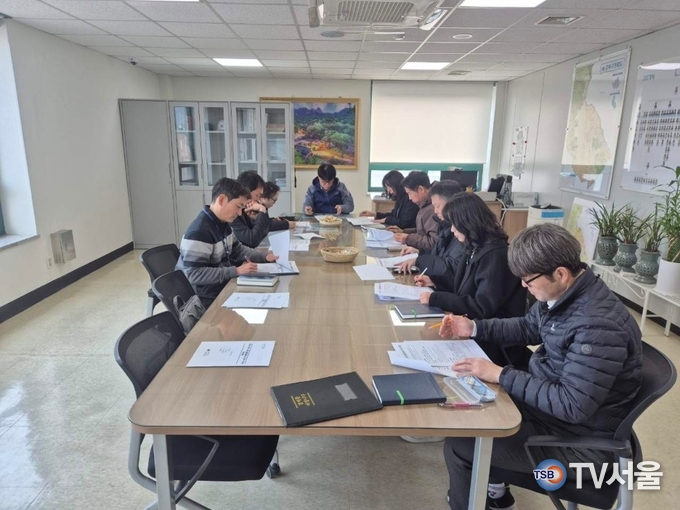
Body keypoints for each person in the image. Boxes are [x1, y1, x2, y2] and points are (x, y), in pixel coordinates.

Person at [439, 223, 643, 510]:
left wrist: (501, 374)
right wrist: (474, 327)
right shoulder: (566, 295)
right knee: (474, 410)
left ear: (560, 273)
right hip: (555, 416)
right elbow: (528, 326)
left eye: (528, 280)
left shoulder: (597, 326)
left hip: (580, 444)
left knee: (462, 444)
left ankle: (477, 498)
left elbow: (572, 405)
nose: (524, 286)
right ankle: (497, 494)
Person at [176, 178, 278, 308]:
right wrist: (236, 271)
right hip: (204, 298)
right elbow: (194, 274)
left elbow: (237, 250)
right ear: (222, 200)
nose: (240, 213)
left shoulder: (222, 223)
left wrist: (264, 257)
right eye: (238, 206)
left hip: (221, 286)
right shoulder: (199, 232)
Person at [395, 180, 464, 275]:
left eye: (437, 206)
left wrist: (419, 261)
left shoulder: (461, 232)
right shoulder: (445, 225)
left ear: (452, 204)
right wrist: (420, 252)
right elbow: (441, 253)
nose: (435, 211)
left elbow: (451, 267)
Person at [392, 171, 438, 251]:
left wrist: (408, 238)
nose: (409, 198)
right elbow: (422, 231)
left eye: (410, 193)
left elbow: (434, 242)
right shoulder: (424, 205)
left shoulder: (433, 209)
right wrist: (404, 231)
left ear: (421, 189)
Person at [231, 171, 270, 248]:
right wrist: (262, 210)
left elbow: (265, 232)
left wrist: (257, 218)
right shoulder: (233, 212)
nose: (258, 199)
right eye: (257, 195)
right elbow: (252, 241)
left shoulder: (247, 209)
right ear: (246, 191)